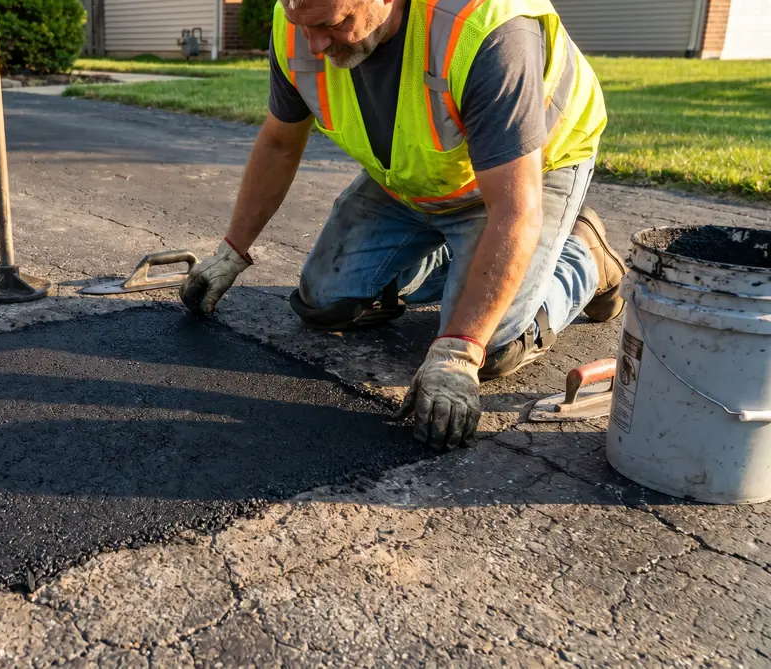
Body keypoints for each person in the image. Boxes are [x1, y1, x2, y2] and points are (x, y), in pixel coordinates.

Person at [180, 0, 626, 450]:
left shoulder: (485, 33)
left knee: (492, 346)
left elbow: (514, 210)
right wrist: (230, 252)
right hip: (414, 176)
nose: (313, 44)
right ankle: (470, 261)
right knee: (324, 302)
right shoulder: (298, 21)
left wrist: (460, 349)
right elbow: (279, 143)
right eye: (302, 25)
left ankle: (581, 258)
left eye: (332, 25)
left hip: (528, 173)